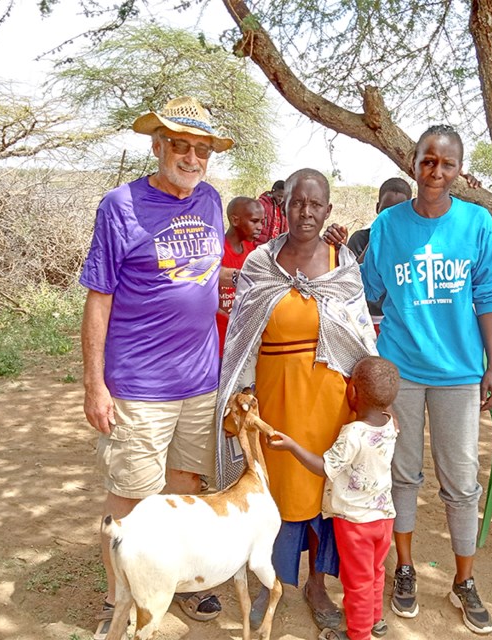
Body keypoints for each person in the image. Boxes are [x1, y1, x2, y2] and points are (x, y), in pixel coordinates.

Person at [331, 124, 492, 634]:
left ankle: (463, 580)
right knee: (399, 475)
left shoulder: (477, 223)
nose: (437, 171)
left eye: (447, 163)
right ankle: (403, 569)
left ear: (459, 170)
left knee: (461, 480)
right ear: (414, 163)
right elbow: (367, 292)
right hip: (400, 373)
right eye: (429, 160)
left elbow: (487, 296)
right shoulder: (387, 226)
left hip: (458, 373)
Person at [79, 96, 238, 638]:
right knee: (131, 500)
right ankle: (117, 597)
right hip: (138, 385)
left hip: (199, 380)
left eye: (202, 149)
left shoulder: (212, 201)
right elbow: (99, 297)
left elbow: (201, 277)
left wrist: (221, 301)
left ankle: (182, 585)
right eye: (181, 145)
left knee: (185, 490)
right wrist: (94, 383)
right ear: (158, 146)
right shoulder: (119, 206)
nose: (192, 158)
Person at [215, 168, 378, 632]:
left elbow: (360, 334)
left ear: (328, 209)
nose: (306, 212)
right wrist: (243, 393)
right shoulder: (261, 263)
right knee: (277, 492)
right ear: (283, 209)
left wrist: (371, 400)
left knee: (327, 490)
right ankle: (273, 582)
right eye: (297, 203)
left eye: (316, 204)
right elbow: (243, 338)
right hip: (277, 399)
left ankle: (318, 584)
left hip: (330, 402)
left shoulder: (343, 262)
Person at [267, 355, 400, 640]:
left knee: (358, 583)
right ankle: (374, 620)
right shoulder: (390, 424)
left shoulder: (353, 434)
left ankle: (358, 634)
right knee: (376, 574)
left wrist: (292, 446)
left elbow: (325, 467)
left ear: (351, 392)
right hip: (383, 517)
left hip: (355, 524)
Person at [347, 178, 414, 332]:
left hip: (400, 321)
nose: (391, 217)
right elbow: (352, 282)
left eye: (398, 212)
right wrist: (377, 239)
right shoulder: (360, 239)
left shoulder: (412, 244)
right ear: (377, 208)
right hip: (366, 320)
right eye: (386, 211)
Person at [217, 196, 264, 355]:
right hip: (218, 340)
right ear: (235, 220)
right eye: (254, 221)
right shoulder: (217, 250)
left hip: (241, 339)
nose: (260, 227)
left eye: (261, 222)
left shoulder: (251, 251)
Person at [256, 179, 286, 244]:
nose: (281, 199)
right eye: (279, 196)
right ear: (272, 192)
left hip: (276, 246)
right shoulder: (262, 204)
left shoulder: (283, 208)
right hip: (260, 244)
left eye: (283, 197)